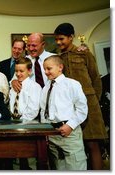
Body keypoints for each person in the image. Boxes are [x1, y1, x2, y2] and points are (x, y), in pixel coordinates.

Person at [54, 22, 108, 170]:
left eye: (62, 39)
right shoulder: (59, 58)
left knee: (93, 144)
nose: (58, 42)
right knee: (77, 145)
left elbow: (96, 79)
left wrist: (93, 101)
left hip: (90, 105)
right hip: (69, 107)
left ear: (71, 37)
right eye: (56, 39)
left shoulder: (84, 54)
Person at [40, 55, 88, 170]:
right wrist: (45, 130)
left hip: (69, 133)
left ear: (60, 67)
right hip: (52, 134)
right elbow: (43, 110)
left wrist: (70, 126)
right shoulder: (46, 87)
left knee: (76, 166)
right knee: (58, 167)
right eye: (44, 69)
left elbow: (82, 109)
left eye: (49, 68)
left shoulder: (72, 84)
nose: (46, 72)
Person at [9, 56, 42, 122]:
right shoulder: (14, 86)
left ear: (29, 71)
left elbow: (33, 110)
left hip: (27, 122)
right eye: (16, 71)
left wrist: (20, 121)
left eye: (21, 71)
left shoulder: (34, 87)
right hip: (13, 121)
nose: (18, 74)